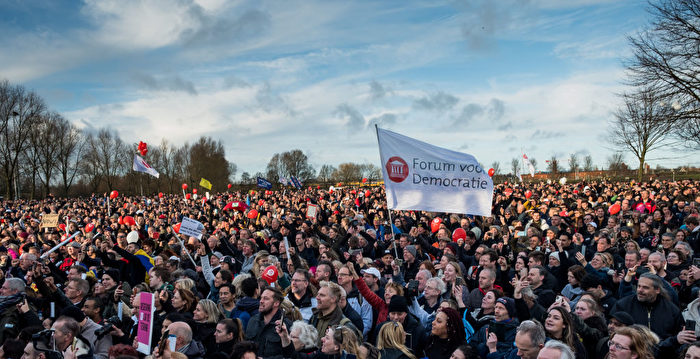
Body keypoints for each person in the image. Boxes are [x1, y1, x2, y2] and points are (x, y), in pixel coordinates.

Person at [611, 272, 683, 340]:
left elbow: (677, 337)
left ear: (657, 290)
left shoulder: (672, 310)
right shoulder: (623, 305)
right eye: (639, 286)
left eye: (645, 287)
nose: (640, 290)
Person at [244, 286, 292, 359]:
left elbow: (289, 355)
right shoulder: (253, 320)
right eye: (261, 298)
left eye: (266, 298)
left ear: (276, 303)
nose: (261, 301)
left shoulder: (285, 325)